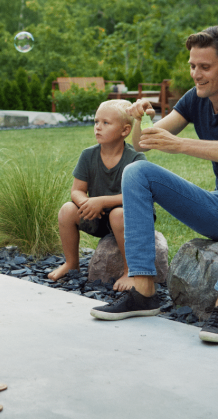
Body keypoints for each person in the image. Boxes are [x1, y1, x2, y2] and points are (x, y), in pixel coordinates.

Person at [90, 26, 218, 344]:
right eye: (192, 66)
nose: (196, 74)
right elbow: (143, 144)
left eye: (205, 67)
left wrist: (182, 145)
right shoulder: (196, 99)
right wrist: (141, 117)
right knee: (136, 173)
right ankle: (143, 291)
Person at [48, 99, 147, 291]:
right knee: (67, 210)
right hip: (98, 216)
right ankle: (71, 263)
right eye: (96, 122)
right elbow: (76, 190)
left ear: (125, 130)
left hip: (129, 218)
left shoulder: (135, 158)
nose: (98, 128)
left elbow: (138, 196)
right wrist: (86, 203)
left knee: (117, 214)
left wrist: (101, 201)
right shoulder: (88, 155)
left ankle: (131, 271)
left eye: (106, 123)